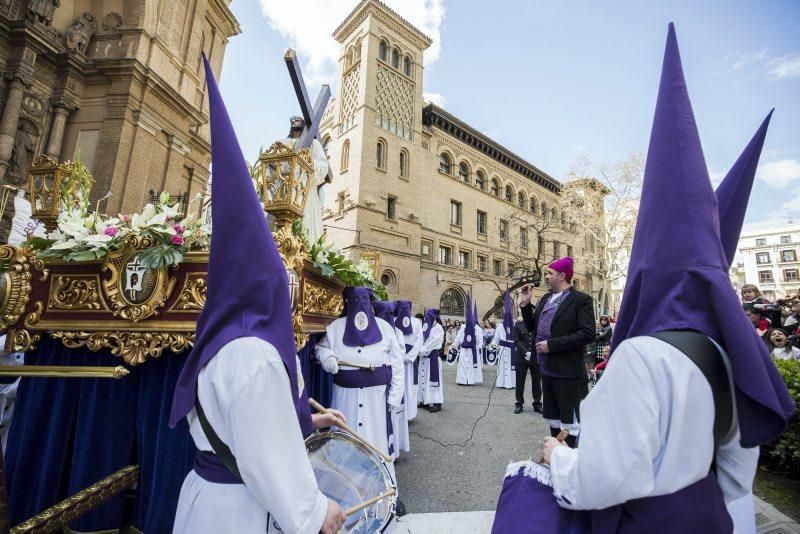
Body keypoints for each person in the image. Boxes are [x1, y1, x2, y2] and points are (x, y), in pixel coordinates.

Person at [541, 25, 794, 533]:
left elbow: (602, 479)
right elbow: (737, 475)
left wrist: (558, 458)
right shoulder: (734, 351)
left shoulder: (642, 356)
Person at [171, 56, 344, 534]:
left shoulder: (223, 339)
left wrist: (313, 423)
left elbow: (245, 426)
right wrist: (316, 513)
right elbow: (268, 460)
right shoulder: (256, 356)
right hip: (238, 514)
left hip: (206, 502)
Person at [315, 287, 405, 462]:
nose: (360, 307)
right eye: (355, 301)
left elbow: (397, 365)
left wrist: (394, 397)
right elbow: (320, 348)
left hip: (377, 402)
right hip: (345, 399)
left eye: (364, 300)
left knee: (376, 445)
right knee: (344, 447)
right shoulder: (336, 327)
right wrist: (326, 356)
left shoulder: (385, 328)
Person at [519, 257, 595, 447]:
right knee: (553, 420)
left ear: (562, 276)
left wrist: (552, 345)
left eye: (549, 273)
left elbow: (587, 334)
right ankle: (556, 458)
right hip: (547, 370)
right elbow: (531, 327)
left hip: (568, 373)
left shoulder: (581, 300)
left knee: (570, 423)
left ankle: (572, 462)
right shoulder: (545, 298)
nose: (545, 276)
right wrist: (526, 305)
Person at [280, 116, 330, 243]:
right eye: (294, 127)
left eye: (299, 127)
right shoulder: (282, 143)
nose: (296, 130)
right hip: (284, 190)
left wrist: (307, 163)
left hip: (305, 191)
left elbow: (323, 168)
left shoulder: (313, 144)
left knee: (305, 226)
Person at [394, 300, 423, 429]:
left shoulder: (416, 322)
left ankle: (409, 414)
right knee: (398, 385)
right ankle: (398, 412)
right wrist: (399, 356)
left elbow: (419, 341)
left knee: (410, 386)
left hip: (410, 362)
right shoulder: (393, 320)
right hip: (397, 360)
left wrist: (410, 357)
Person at [512, 313, 541, 414]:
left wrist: (533, 353)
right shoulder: (518, 325)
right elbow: (516, 340)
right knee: (520, 381)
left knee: (536, 382)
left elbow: (540, 339)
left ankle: (537, 404)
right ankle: (519, 404)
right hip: (521, 356)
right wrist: (526, 352)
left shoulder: (537, 325)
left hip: (535, 357)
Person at [418, 309, 445, 412]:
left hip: (432, 357)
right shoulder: (426, 327)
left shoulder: (438, 328)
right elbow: (420, 339)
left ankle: (437, 403)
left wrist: (421, 350)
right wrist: (420, 349)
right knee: (422, 379)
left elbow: (434, 343)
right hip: (424, 357)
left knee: (432, 380)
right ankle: (424, 400)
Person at [455, 294, 484, 385]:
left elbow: (480, 339)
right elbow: (459, 338)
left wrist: (478, 347)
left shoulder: (477, 328)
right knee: (463, 364)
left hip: (473, 349)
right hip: (464, 349)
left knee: (471, 365)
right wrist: (454, 344)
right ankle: (462, 380)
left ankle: (471, 380)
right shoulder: (463, 327)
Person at [492, 290, 516, 390]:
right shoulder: (500, 326)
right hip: (502, 349)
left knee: (511, 366)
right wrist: (492, 344)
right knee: (502, 366)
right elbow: (496, 338)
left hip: (511, 349)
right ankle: (501, 383)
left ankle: (511, 383)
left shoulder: (515, 325)